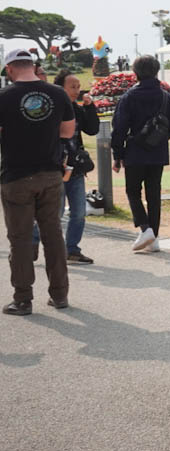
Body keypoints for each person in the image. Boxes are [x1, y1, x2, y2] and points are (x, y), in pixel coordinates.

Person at [0, 49, 76, 315]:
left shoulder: (4, 96)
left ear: (10, 69)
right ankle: (60, 295)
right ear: (33, 66)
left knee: (20, 239)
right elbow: (68, 131)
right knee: (53, 235)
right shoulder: (57, 93)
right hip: (51, 173)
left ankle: (23, 299)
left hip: (16, 175)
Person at [111, 54, 170, 254]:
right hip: (158, 152)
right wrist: (158, 139)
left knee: (133, 191)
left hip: (135, 151)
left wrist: (117, 154)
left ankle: (145, 227)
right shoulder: (166, 97)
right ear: (156, 71)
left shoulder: (129, 97)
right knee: (154, 193)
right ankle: (153, 238)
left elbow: (119, 128)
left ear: (135, 73)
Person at [30, 71, 99, 265]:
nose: (77, 91)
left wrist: (89, 107)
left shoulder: (76, 109)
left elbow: (92, 129)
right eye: (73, 87)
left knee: (79, 212)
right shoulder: (49, 108)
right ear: (60, 88)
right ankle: (32, 241)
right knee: (54, 213)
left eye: (78, 87)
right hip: (54, 168)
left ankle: (72, 249)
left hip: (74, 168)